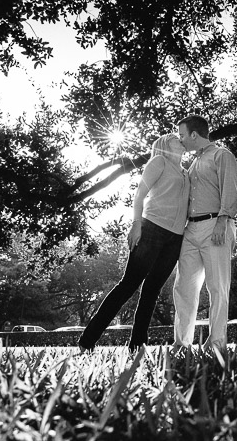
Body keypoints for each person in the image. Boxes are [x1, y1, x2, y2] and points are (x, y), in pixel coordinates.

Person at [78, 134, 189, 353]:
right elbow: (140, 194)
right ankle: (87, 341)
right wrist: (136, 224)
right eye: (177, 139)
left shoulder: (186, 172)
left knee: (152, 291)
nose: (181, 140)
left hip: (174, 238)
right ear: (166, 145)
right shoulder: (159, 162)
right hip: (151, 229)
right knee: (128, 285)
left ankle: (137, 345)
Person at [173, 115, 237, 354]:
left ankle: (217, 344)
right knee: (183, 287)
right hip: (190, 230)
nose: (180, 140)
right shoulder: (192, 165)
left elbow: (231, 191)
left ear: (194, 134)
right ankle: (181, 343)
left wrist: (223, 221)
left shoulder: (222, 156)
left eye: (182, 135)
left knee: (217, 286)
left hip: (216, 225)